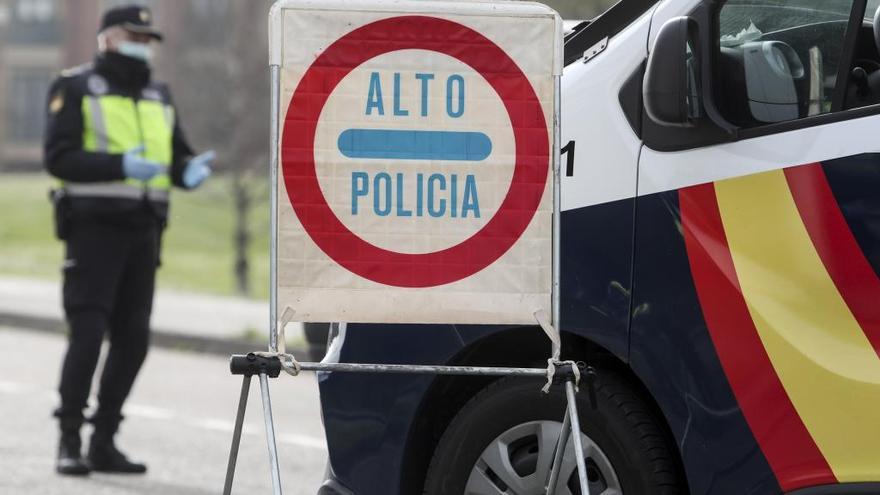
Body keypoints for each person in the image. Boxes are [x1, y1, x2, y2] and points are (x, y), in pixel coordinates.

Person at [44, 5, 215, 475]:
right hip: (94, 230)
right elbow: (59, 159)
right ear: (108, 39)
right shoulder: (75, 87)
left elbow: (176, 157)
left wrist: (188, 171)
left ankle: (104, 440)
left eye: (149, 37)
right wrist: (119, 166)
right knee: (87, 335)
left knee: (133, 340)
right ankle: (69, 440)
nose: (145, 45)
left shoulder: (158, 94)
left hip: (145, 231)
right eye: (135, 35)